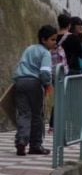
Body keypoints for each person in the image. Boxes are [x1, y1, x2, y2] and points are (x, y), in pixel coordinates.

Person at [13, 25, 58, 156]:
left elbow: (20, 64)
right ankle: (35, 145)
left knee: (24, 114)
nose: (55, 43)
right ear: (44, 40)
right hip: (34, 83)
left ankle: (21, 141)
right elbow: (44, 72)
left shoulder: (29, 48)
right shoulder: (45, 53)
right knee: (37, 115)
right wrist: (47, 84)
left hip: (20, 82)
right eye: (52, 40)